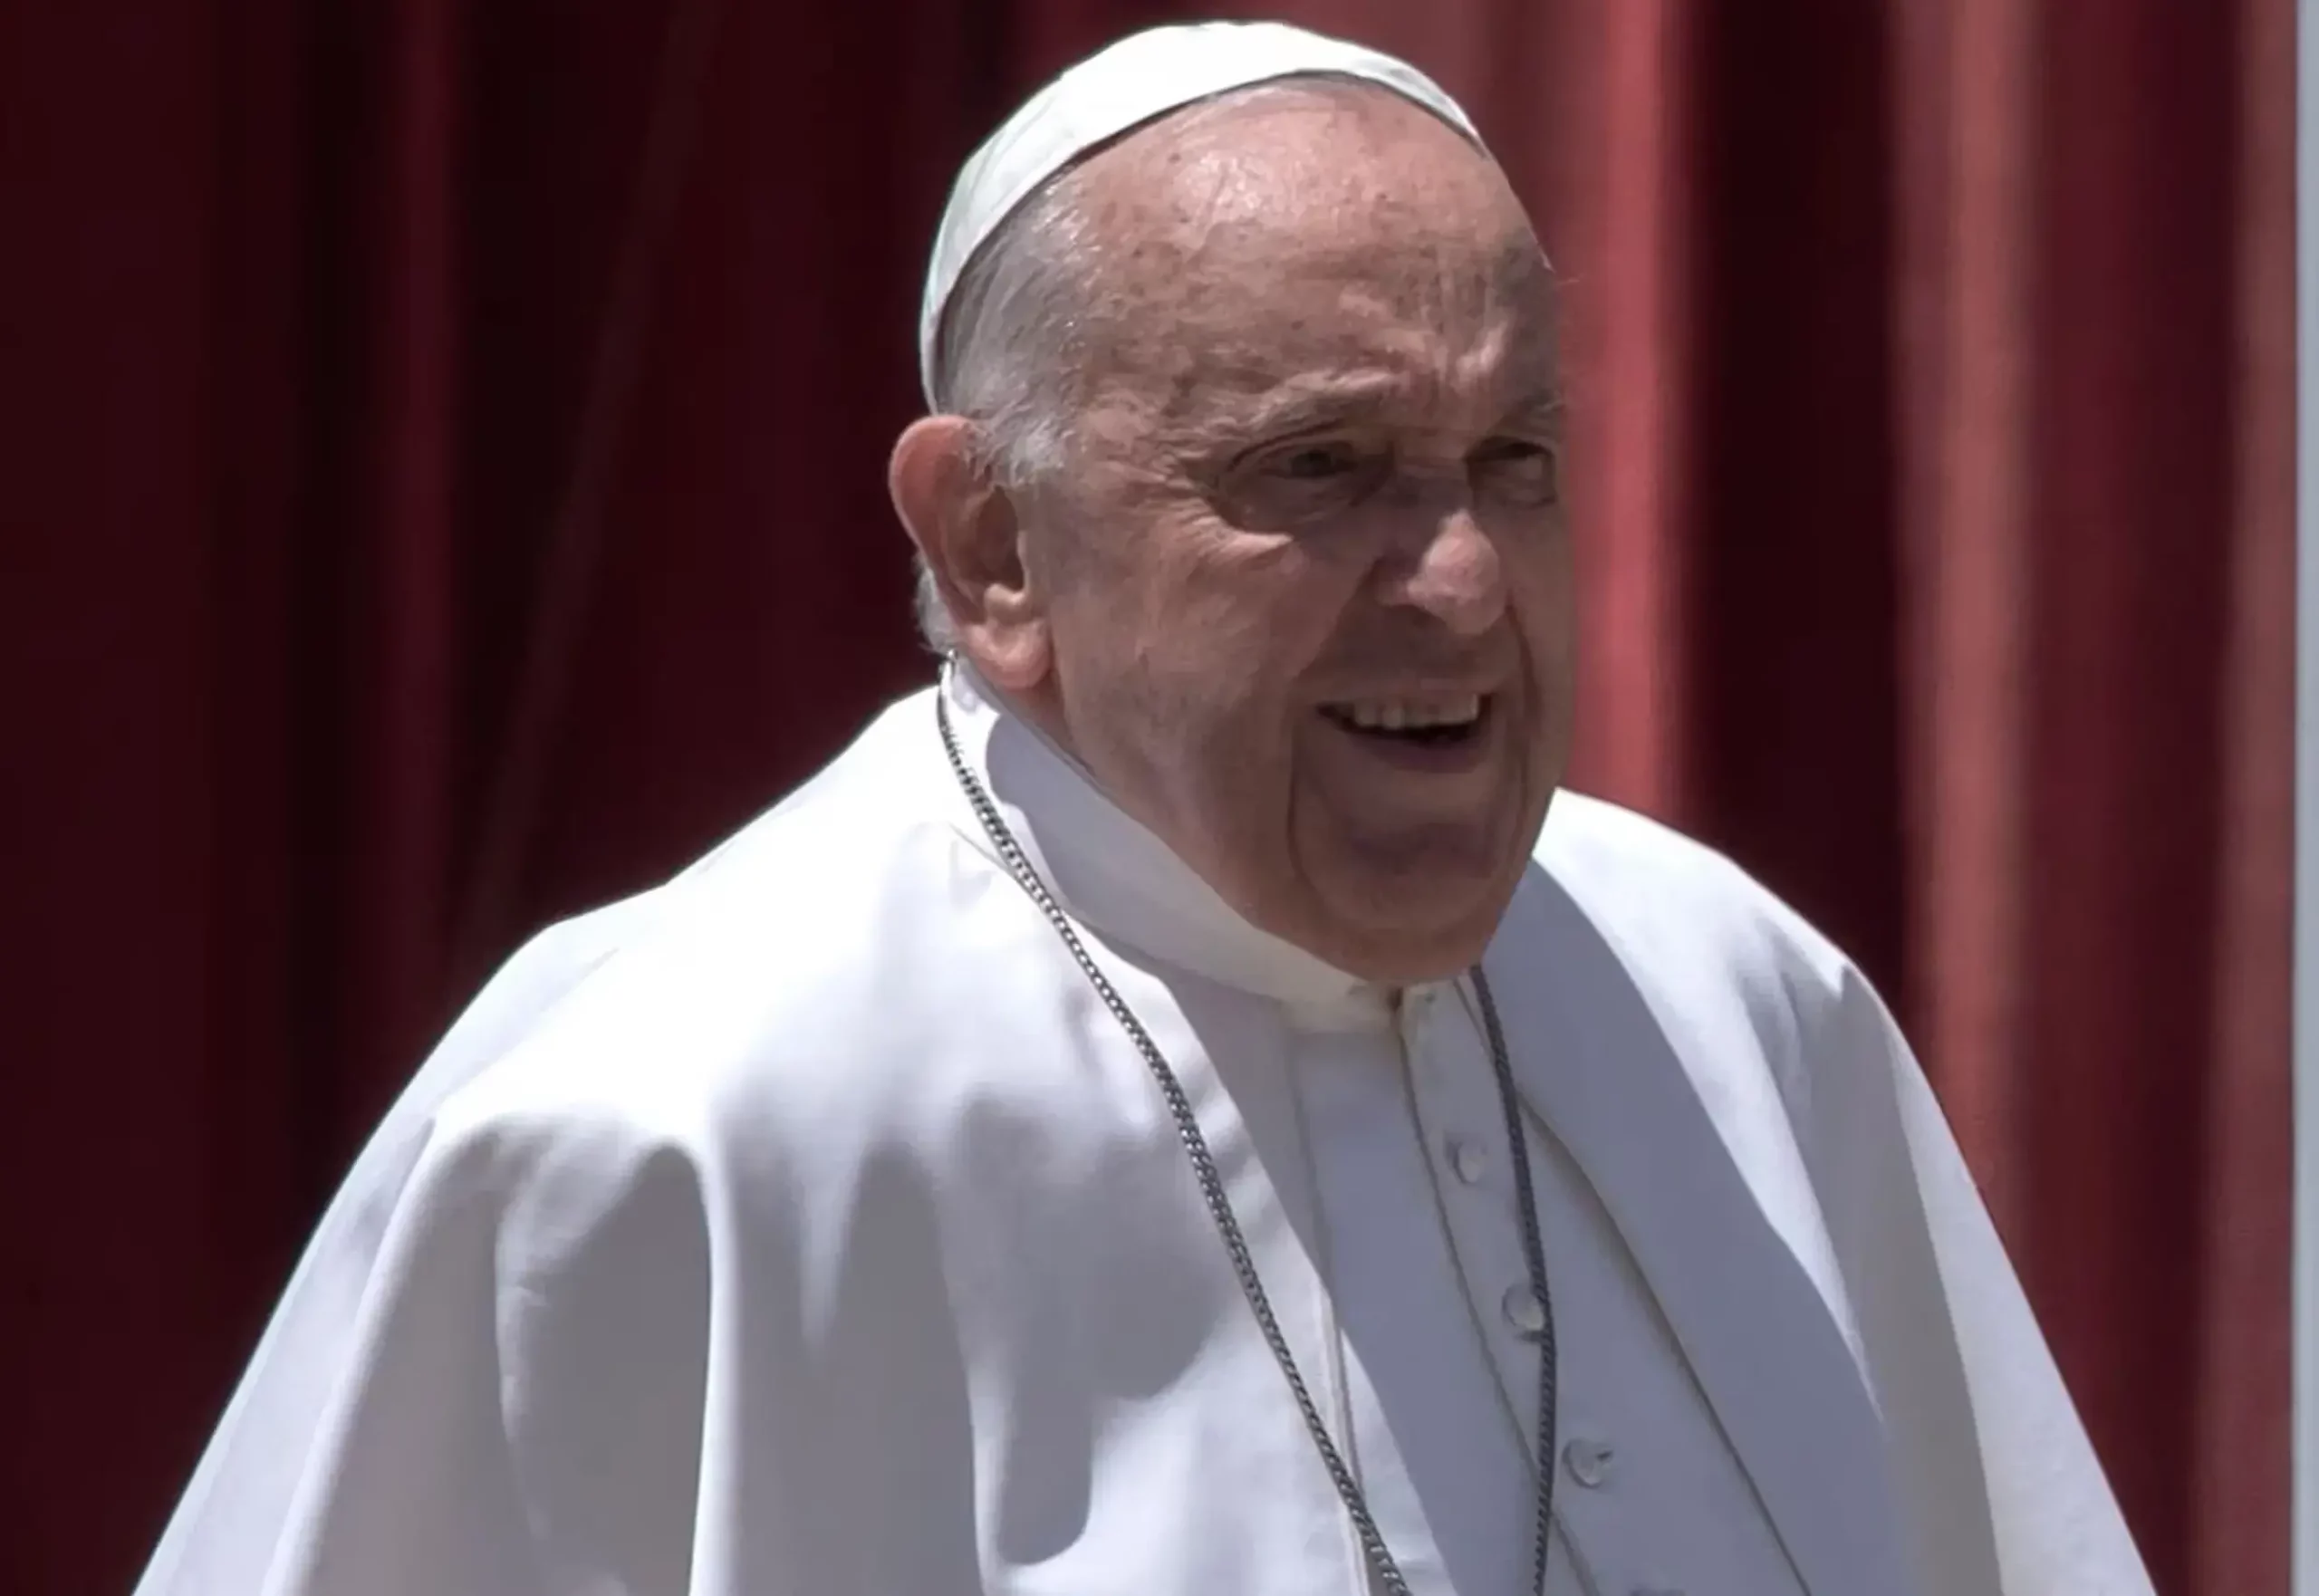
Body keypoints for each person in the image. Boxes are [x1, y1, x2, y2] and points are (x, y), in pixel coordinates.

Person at [133, 21, 2151, 1596]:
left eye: (1512, 459)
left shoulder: (1732, 999)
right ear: (994, 543)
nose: (1461, 581)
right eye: (1319, 467)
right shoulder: (669, 1125)